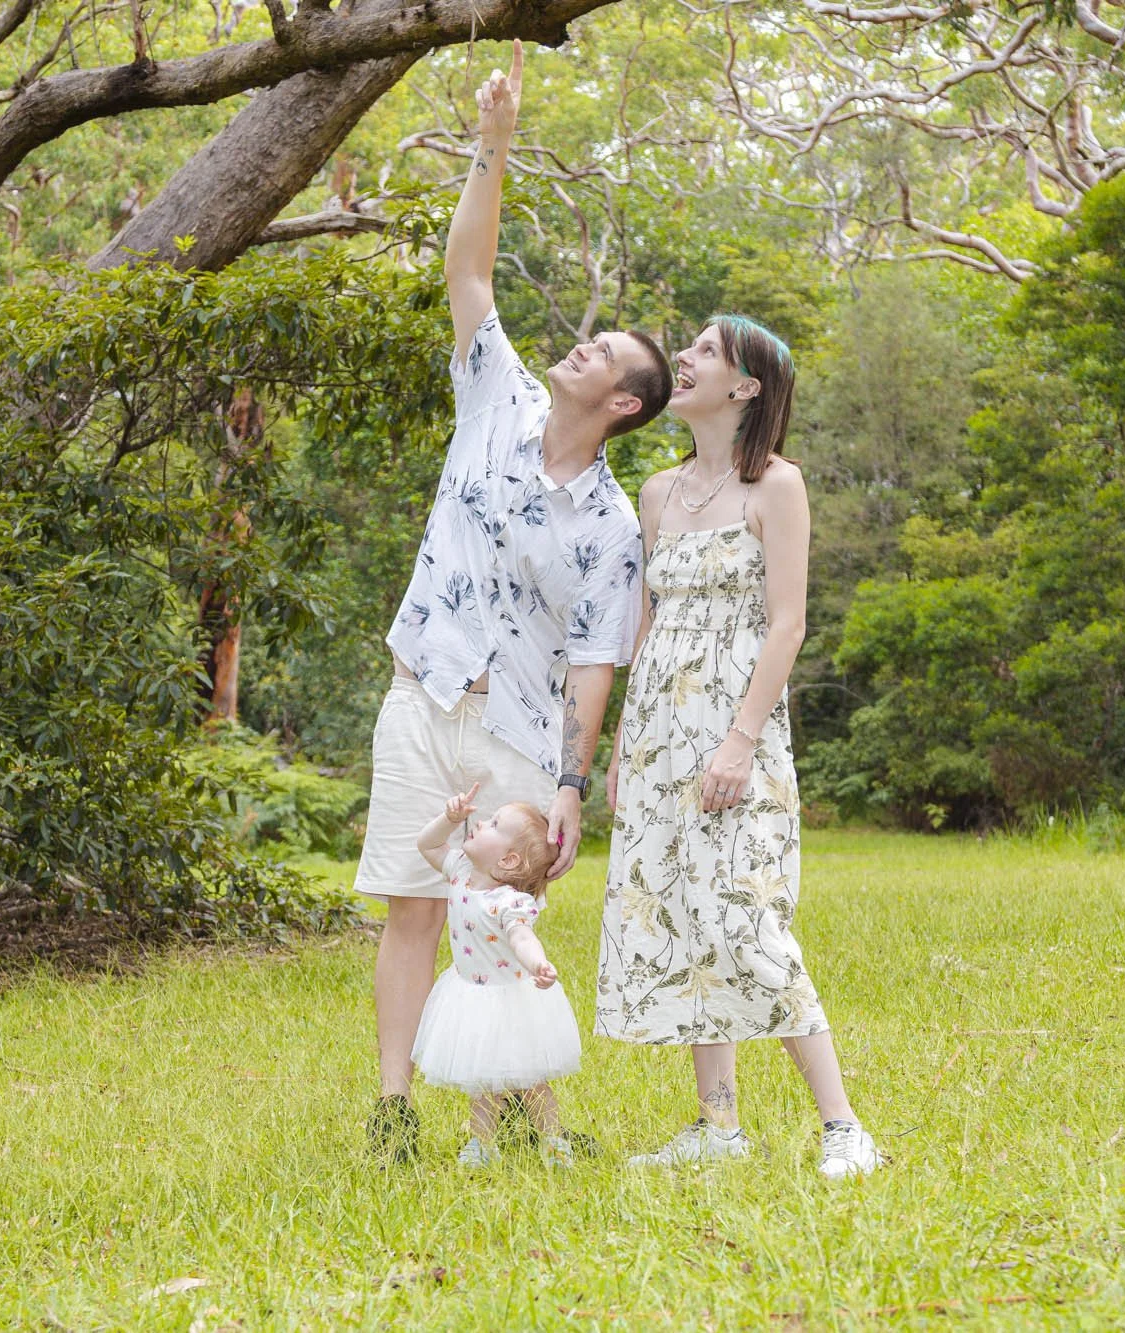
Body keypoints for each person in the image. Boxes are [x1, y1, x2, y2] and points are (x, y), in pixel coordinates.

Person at [358, 40, 674, 1163]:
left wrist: (576, 782)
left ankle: (533, 1124)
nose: (576, 348)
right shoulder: (495, 392)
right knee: (410, 902)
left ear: (627, 404)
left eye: (599, 354)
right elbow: (471, 276)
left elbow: (598, 655)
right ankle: (394, 1110)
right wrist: (491, 147)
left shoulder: (609, 524)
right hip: (426, 687)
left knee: (513, 925)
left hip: (522, 729)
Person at [595, 316, 881, 1180]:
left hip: (735, 730)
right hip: (657, 736)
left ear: (746, 386)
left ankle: (844, 1129)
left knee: (749, 918)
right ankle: (716, 1125)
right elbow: (645, 622)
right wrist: (620, 747)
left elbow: (787, 624)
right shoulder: (656, 490)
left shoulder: (777, 487)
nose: (684, 359)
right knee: (687, 919)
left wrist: (739, 742)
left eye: (706, 352)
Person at [410, 783, 581, 1167]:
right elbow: (427, 845)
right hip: (471, 997)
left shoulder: (509, 902)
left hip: (510, 1001)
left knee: (531, 1081)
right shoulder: (460, 871)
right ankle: (482, 1144)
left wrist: (539, 963)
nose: (480, 823)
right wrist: (448, 818)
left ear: (507, 861)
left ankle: (553, 1139)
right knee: (482, 1082)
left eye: (493, 824)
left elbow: (522, 937)